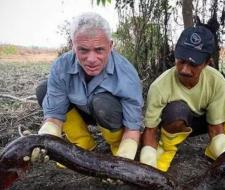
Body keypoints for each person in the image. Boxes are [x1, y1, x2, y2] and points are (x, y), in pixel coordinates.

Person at [139, 25, 225, 172]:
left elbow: (215, 127)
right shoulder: (159, 86)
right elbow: (150, 131)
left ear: (207, 63)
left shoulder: (216, 81)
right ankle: (166, 152)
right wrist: (148, 164)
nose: (184, 70)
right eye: (181, 61)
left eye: (193, 64)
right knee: (177, 110)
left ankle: (218, 153)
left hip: (202, 122)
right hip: (174, 124)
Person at [34, 12, 143, 161]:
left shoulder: (127, 74)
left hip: (109, 115)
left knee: (101, 102)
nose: (91, 59)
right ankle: (82, 143)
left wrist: (125, 160)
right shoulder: (61, 66)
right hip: (81, 111)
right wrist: (43, 141)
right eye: (83, 50)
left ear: (110, 46)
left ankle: (118, 147)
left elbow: (132, 129)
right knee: (43, 90)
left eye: (99, 50)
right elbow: (54, 116)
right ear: (73, 46)